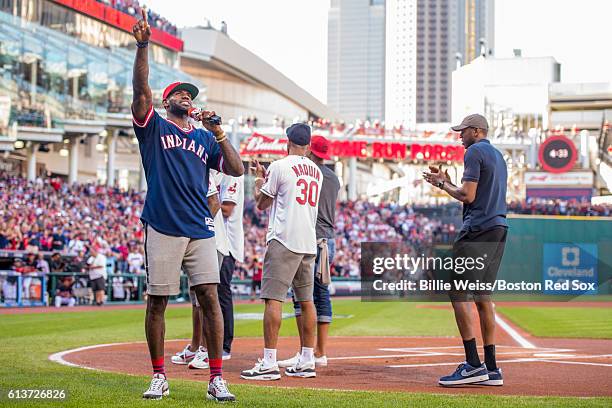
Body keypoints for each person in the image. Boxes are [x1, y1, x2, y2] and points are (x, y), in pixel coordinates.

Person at [131, 9, 242, 402]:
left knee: (210, 298)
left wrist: (219, 131)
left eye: (190, 95)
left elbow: (237, 168)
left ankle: (215, 378)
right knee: (158, 300)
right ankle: (159, 375)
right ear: (166, 101)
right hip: (162, 223)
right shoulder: (154, 126)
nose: (186, 97)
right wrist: (144, 45)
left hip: (199, 227)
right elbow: (141, 91)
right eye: (180, 92)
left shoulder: (205, 138)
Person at [423, 114, 508, 387]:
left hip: (477, 229)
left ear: (476, 131)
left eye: (463, 132)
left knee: (458, 293)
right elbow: (474, 192)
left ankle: (473, 364)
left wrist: (440, 184)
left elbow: (467, 196)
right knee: (483, 297)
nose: (460, 136)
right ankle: (492, 368)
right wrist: (450, 183)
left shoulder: (474, 152)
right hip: (498, 227)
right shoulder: (498, 155)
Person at [241, 123, 322, 381]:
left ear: (287, 142)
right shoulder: (317, 171)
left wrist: (259, 181)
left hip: (284, 239)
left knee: (273, 299)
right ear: (308, 146)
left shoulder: (279, 166)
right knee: (306, 301)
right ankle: (307, 359)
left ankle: (268, 362)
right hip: (308, 241)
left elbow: (262, 203)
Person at [278, 135, 341, 369]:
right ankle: (320, 352)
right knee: (321, 294)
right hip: (328, 240)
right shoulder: (334, 178)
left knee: (302, 295)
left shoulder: (306, 172)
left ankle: (305, 352)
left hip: (308, 237)